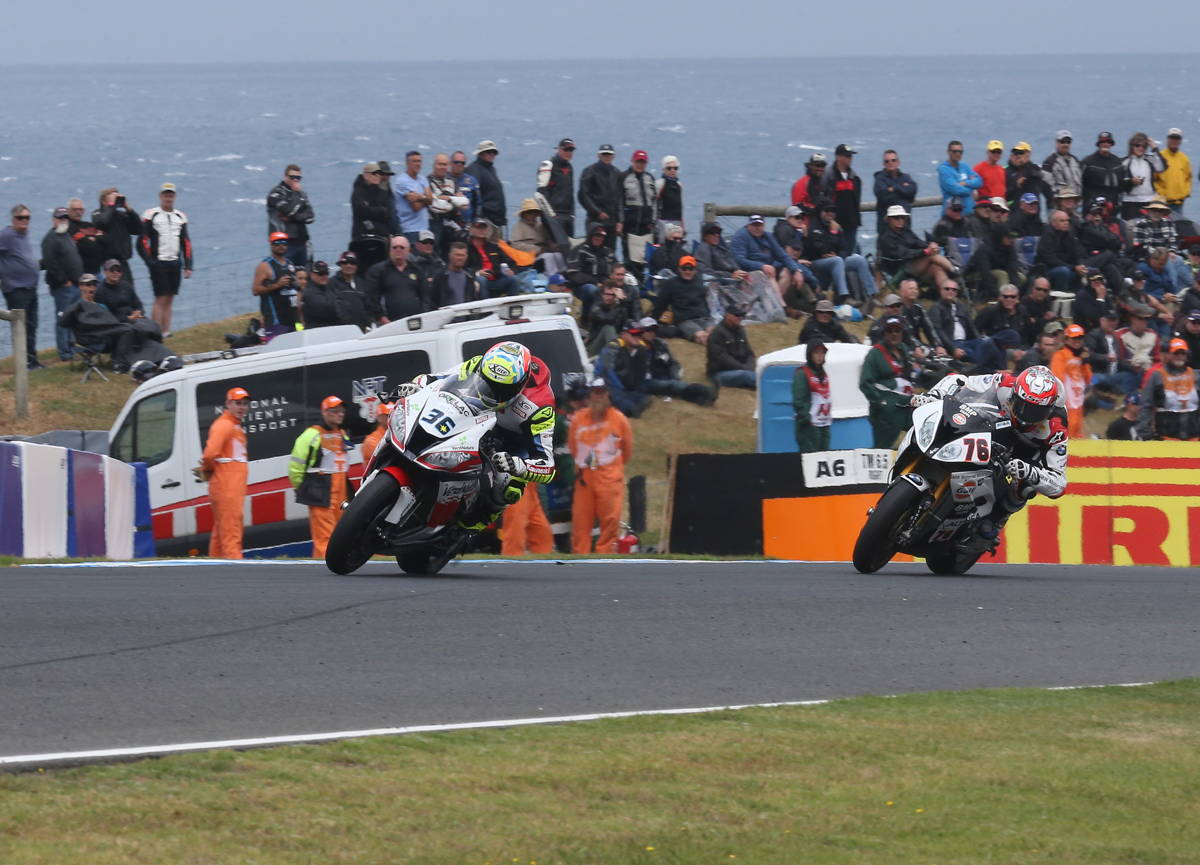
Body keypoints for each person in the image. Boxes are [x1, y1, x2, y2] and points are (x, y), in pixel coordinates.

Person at [912, 366, 1068, 543]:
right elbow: (959, 380)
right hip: (999, 424)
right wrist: (933, 396)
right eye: (1022, 405)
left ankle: (997, 520)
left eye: (1036, 412)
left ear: (1049, 408)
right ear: (1014, 394)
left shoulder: (1057, 427)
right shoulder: (1004, 383)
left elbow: (1059, 483)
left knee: (1026, 487)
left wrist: (1029, 472)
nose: (1026, 415)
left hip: (1027, 448)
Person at [567, 377, 632, 554]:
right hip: (584, 480)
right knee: (580, 524)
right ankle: (580, 561)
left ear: (608, 394)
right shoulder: (578, 420)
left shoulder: (619, 419)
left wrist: (612, 469)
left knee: (610, 523)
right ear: (589, 395)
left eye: (601, 392)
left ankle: (605, 558)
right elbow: (573, 447)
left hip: (609, 479)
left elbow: (627, 451)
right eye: (595, 392)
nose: (598, 396)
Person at [289, 395, 351, 559]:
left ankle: (338, 563)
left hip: (340, 494)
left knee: (340, 534)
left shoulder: (342, 434)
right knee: (324, 537)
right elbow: (296, 467)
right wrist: (305, 488)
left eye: (341, 411)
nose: (339, 414)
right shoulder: (311, 435)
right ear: (324, 412)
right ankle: (323, 566)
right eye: (334, 411)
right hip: (320, 491)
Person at [200, 387, 250, 559]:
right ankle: (236, 569)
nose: (242, 407)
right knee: (231, 532)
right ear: (228, 404)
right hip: (226, 487)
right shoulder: (225, 425)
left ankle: (215, 567)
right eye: (238, 403)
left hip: (229, 486)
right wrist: (208, 471)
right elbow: (209, 455)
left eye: (245, 404)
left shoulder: (234, 425)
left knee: (221, 533)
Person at [139, 182, 192, 337]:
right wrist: (150, 262)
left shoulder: (180, 216)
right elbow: (142, 241)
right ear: (160, 196)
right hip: (159, 262)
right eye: (165, 195)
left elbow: (186, 242)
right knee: (160, 297)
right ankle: (156, 331)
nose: (168, 198)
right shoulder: (151, 215)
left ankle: (166, 331)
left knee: (170, 297)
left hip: (175, 261)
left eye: (171, 195)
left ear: (174, 197)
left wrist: (188, 264)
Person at [860, 317, 914, 448]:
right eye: (890, 331)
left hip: (906, 405)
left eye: (897, 330)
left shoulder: (904, 350)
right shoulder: (875, 354)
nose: (894, 334)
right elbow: (864, 383)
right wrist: (881, 402)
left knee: (919, 437)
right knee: (881, 449)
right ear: (884, 333)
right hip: (886, 411)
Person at [0, 205, 42, 369]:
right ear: (13, 219)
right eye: (20, 218)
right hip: (16, 289)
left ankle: (32, 360)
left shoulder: (23, 235)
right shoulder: (7, 235)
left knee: (32, 325)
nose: (24, 221)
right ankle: (23, 363)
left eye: (27, 218)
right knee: (21, 327)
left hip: (30, 288)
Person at [877, 205, 955, 290]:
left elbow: (918, 242)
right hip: (900, 270)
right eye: (896, 217)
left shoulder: (906, 231)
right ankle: (955, 270)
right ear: (889, 220)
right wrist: (925, 251)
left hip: (914, 266)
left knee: (936, 268)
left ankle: (948, 291)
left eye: (902, 217)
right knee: (932, 256)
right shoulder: (886, 237)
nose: (900, 220)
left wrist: (931, 246)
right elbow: (903, 254)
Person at [42, 206, 83, 362]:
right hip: (63, 287)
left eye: (65, 218)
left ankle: (71, 346)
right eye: (60, 218)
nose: (63, 221)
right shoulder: (50, 238)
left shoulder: (65, 235)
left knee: (72, 318)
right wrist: (63, 280)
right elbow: (50, 262)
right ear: (54, 220)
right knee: (62, 318)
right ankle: (65, 352)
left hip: (74, 285)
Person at [641, 318, 715, 406]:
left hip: (667, 379)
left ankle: (699, 399)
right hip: (648, 381)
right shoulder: (637, 348)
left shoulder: (660, 344)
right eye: (648, 330)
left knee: (674, 386)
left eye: (654, 330)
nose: (651, 333)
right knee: (671, 385)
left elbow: (673, 363)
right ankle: (703, 390)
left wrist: (675, 377)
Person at [1139, 338, 1200, 440]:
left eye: (1183, 353)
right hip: (1167, 437)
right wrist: (1144, 431)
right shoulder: (1157, 376)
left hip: (1195, 438)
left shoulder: (1196, 375)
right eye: (1176, 353)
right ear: (1168, 355)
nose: (1180, 356)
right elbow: (1146, 405)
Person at [730, 214, 803, 300]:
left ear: (764, 225)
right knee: (769, 274)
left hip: (767, 270)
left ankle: (775, 304)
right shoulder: (740, 236)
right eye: (754, 225)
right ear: (748, 226)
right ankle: (780, 306)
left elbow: (782, 255)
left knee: (787, 271)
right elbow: (739, 260)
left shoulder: (768, 236)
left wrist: (796, 270)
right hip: (748, 272)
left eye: (759, 225)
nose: (757, 228)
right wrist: (761, 266)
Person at [651, 254, 714, 344]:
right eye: (684, 268)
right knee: (703, 337)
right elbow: (661, 304)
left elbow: (706, 301)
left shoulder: (700, 281)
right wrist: (653, 320)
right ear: (679, 269)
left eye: (690, 268)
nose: (687, 271)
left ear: (695, 270)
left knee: (716, 335)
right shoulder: (670, 284)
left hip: (704, 318)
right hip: (685, 321)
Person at [364, 235, 427, 323]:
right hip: (389, 324)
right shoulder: (378, 271)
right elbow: (371, 298)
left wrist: (424, 317)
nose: (398, 250)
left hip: (416, 323)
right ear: (390, 250)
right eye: (394, 247)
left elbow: (425, 297)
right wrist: (382, 318)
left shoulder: (417, 270)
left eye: (402, 247)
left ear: (408, 250)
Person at [596, 321, 653, 418]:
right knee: (621, 400)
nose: (637, 337)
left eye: (639, 334)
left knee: (644, 398)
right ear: (623, 334)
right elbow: (606, 370)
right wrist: (620, 387)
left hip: (622, 384)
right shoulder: (613, 346)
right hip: (604, 383)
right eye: (633, 334)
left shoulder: (638, 350)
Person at [251, 232, 299, 336]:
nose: (281, 246)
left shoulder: (290, 263)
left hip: (292, 317)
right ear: (271, 245)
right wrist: (277, 285)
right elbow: (255, 290)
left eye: (284, 243)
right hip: (276, 319)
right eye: (277, 243)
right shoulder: (265, 265)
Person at [566, 224, 617, 320]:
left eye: (602, 236)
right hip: (582, 287)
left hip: (606, 284)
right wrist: (595, 282)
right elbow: (573, 274)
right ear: (590, 236)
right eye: (597, 235)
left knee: (630, 289)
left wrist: (615, 282)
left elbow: (617, 268)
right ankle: (592, 319)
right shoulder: (579, 250)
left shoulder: (608, 252)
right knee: (592, 290)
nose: (600, 238)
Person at [267, 164, 314, 267]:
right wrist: (298, 212)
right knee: (285, 275)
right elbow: (290, 210)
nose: (295, 180)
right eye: (292, 177)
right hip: (283, 243)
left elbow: (311, 217)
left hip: (302, 242)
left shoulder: (302, 194)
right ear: (285, 176)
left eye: (298, 178)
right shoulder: (276, 193)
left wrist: (293, 217)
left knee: (305, 275)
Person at [577, 144, 622, 252]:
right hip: (595, 220)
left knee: (610, 252)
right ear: (599, 155)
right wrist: (598, 212)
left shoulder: (617, 173)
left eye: (609, 154)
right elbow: (583, 195)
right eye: (604, 154)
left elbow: (620, 199)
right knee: (592, 250)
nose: (606, 156)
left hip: (612, 221)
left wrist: (620, 221)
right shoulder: (589, 171)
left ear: (613, 156)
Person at [92, 188, 142, 284]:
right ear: (103, 201)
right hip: (108, 261)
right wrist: (111, 206)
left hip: (123, 261)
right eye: (112, 196)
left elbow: (138, 229)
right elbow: (102, 222)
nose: (116, 198)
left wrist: (129, 209)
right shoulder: (97, 213)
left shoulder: (121, 215)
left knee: (128, 290)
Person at [819, 144, 862, 255]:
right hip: (834, 223)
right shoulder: (828, 175)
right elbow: (823, 199)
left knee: (849, 252)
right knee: (836, 252)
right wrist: (830, 220)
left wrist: (856, 221)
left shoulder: (854, 177)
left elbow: (856, 201)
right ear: (838, 157)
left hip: (851, 223)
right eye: (846, 156)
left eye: (850, 156)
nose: (850, 159)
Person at [1051, 324, 1092, 438]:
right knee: (1067, 430)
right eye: (1074, 338)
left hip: (1078, 399)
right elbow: (1058, 378)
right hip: (1066, 401)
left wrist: (1085, 363)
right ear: (1067, 339)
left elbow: (1088, 380)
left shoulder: (1082, 357)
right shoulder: (1060, 355)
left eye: (1079, 338)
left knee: (1077, 431)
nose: (1077, 341)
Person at [1086, 310, 1139, 398]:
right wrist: (1106, 357)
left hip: (1114, 375)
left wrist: (1133, 367)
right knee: (1099, 378)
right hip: (1098, 374)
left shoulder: (1115, 337)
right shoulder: (1093, 335)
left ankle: (1126, 395)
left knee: (1132, 375)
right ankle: (1111, 390)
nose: (1113, 323)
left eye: (1115, 320)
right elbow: (1088, 355)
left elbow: (1119, 361)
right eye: (1110, 320)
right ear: (1102, 321)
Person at [620, 149, 657, 268]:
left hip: (647, 225)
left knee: (647, 256)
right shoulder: (624, 177)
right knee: (629, 257)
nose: (640, 165)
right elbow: (618, 201)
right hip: (630, 224)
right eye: (638, 162)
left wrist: (654, 221)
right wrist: (620, 221)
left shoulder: (649, 178)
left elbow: (655, 201)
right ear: (632, 161)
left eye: (643, 162)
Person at [793, 339, 832, 453]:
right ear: (810, 355)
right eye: (816, 353)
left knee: (824, 457)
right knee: (810, 460)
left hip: (824, 424)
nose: (820, 356)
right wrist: (807, 419)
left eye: (822, 353)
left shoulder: (823, 374)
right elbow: (798, 401)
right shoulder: (802, 374)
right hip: (809, 426)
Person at [465, 217, 519, 298]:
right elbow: (463, 268)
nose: (481, 230)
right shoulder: (467, 248)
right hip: (477, 281)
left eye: (483, 228)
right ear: (471, 230)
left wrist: (512, 270)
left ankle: (512, 307)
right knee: (481, 279)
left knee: (514, 279)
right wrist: (477, 273)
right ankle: (486, 308)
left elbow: (511, 262)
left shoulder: (494, 247)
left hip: (496, 280)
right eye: (478, 227)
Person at [706, 304, 757, 390]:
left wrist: (750, 367)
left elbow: (749, 353)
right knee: (745, 375)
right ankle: (766, 383)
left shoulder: (741, 330)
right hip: (720, 373)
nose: (740, 318)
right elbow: (723, 359)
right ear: (727, 315)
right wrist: (745, 369)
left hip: (742, 369)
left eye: (742, 316)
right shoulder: (717, 334)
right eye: (737, 315)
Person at [1035, 210, 1087, 292]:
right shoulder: (1047, 235)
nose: (1066, 223)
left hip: (1067, 267)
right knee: (1064, 271)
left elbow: (1077, 253)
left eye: (1067, 220)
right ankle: (1060, 295)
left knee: (1090, 270)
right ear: (1053, 223)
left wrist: (1080, 266)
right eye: (1062, 221)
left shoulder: (1069, 234)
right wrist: (1073, 267)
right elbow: (1049, 259)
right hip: (1048, 270)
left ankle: (1080, 298)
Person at [1080, 131, 1132, 213]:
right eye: (1103, 142)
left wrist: (1130, 182)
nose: (1105, 144)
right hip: (1092, 207)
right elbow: (1080, 183)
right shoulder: (1088, 162)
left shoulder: (1118, 163)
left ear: (1111, 144)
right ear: (1098, 144)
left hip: (1112, 206)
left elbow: (1122, 185)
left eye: (1108, 142)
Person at [500, 482, 554, 557]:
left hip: (531, 487)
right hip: (516, 484)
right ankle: (511, 563)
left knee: (542, 531)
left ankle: (543, 564)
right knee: (515, 531)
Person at [1121, 132, 1166, 219]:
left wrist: (1154, 148)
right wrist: (1131, 181)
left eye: (1144, 146)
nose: (1140, 148)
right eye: (1137, 145)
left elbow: (1161, 167)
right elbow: (1119, 181)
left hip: (1149, 201)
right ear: (1132, 146)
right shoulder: (1124, 162)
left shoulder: (1150, 159)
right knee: (1131, 229)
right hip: (1130, 202)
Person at [537, 138, 576, 238]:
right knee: (556, 249)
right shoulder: (547, 165)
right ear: (559, 150)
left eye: (571, 150)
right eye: (566, 150)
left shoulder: (569, 167)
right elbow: (541, 193)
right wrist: (550, 216)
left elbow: (570, 193)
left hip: (568, 216)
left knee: (569, 249)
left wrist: (572, 214)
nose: (568, 153)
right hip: (554, 215)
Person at [465, 139, 506, 231]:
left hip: (496, 222)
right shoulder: (474, 170)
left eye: (494, 152)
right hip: (484, 222)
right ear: (481, 153)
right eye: (488, 152)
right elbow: (472, 196)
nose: (492, 154)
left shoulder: (492, 170)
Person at [393, 150, 432, 245]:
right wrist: (425, 198)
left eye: (419, 161)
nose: (418, 164)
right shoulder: (402, 181)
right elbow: (416, 207)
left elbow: (431, 200)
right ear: (407, 163)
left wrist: (419, 196)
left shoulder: (423, 179)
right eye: (414, 161)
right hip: (409, 230)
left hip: (424, 229)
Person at [873, 149, 917, 234]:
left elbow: (912, 191)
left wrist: (894, 188)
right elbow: (884, 196)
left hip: (905, 225)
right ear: (883, 164)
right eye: (887, 161)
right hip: (886, 228)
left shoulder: (906, 177)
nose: (890, 163)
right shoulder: (879, 179)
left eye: (893, 160)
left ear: (898, 162)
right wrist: (903, 192)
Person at [938, 140, 983, 214]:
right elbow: (955, 190)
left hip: (969, 214)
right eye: (954, 151)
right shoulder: (943, 169)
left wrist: (965, 183)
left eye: (960, 152)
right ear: (948, 152)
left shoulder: (965, 166)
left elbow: (979, 181)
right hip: (952, 215)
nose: (958, 154)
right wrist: (971, 189)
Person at [330, 251, 372, 330]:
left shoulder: (362, 283)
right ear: (340, 265)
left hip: (363, 330)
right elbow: (334, 308)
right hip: (342, 330)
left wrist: (368, 324)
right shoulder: (332, 283)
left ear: (356, 266)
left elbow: (368, 306)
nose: (348, 265)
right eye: (345, 263)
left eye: (352, 263)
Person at [586, 281, 630, 355]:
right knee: (608, 328)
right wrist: (620, 304)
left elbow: (622, 327)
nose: (609, 297)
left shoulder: (619, 308)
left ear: (615, 296)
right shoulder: (596, 308)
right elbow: (609, 319)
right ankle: (614, 357)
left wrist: (623, 304)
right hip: (594, 348)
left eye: (612, 295)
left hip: (613, 343)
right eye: (606, 294)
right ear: (602, 294)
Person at [1155, 128, 1192, 216]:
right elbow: (1154, 179)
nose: (1174, 140)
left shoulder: (1184, 158)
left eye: (1177, 138)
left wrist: (1185, 193)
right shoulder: (1160, 156)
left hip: (1179, 203)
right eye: (1172, 138)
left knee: (1178, 227)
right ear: (1167, 139)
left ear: (1180, 141)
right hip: (1162, 203)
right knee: (1162, 227)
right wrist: (1161, 194)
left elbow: (1188, 178)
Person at [430, 242, 478, 308]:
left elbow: (473, 302)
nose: (460, 258)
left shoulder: (469, 278)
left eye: (462, 255)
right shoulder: (441, 277)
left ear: (466, 257)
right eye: (457, 255)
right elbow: (433, 301)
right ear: (450, 255)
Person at [1042, 131, 1083, 201]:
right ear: (1056, 143)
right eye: (1062, 142)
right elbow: (1046, 186)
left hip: (1075, 205)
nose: (1065, 144)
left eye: (1068, 142)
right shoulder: (1049, 162)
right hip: (1057, 206)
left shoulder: (1075, 161)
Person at [1004, 142, 1047, 206]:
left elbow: (1040, 177)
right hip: (1014, 210)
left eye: (1021, 153)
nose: (1018, 156)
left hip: (1033, 208)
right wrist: (1016, 185)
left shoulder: (1035, 168)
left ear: (1028, 154)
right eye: (1016, 153)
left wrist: (1025, 164)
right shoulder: (1006, 171)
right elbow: (1005, 194)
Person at [301, 260, 338, 329]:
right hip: (316, 332)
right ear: (311, 275)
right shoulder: (309, 292)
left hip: (331, 329)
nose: (324, 276)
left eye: (326, 273)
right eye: (320, 273)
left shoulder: (330, 287)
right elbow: (326, 309)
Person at [655, 155, 684, 241]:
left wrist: (683, 226)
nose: (672, 170)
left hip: (677, 222)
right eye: (669, 168)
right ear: (664, 169)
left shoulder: (679, 185)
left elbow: (680, 207)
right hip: (663, 222)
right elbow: (654, 205)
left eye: (675, 168)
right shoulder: (659, 184)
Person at [359, 401, 391, 466]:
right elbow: (387, 459)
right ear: (380, 418)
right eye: (389, 415)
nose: (393, 417)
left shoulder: (397, 435)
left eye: (395, 414)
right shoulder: (371, 441)